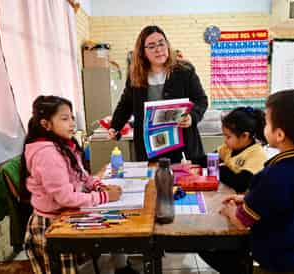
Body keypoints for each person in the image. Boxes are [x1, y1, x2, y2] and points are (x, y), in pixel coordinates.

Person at [215, 89, 294, 274]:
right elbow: (293, 206)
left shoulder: (274, 174)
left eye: (267, 122)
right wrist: (247, 200)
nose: (262, 127)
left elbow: (241, 221)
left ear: (279, 135)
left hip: (276, 266)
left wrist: (231, 211)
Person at [20, 95, 136, 274]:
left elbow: (82, 176)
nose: (72, 123)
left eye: (72, 117)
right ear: (46, 124)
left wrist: (99, 186)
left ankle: (122, 268)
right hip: (53, 225)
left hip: (67, 214)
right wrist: (105, 196)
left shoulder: (64, 145)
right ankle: (121, 268)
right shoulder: (47, 154)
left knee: (116, 221)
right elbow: (65, 198)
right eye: (65, 119)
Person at [108, 25, 208, 164]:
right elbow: (126, 104)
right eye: (151, 46)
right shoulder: (136, 76)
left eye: (161, 43)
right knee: (153, 183)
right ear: (143, 52)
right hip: (150, 148)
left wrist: (192, 116)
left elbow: (201, 100)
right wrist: (115, 126)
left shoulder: (184, 71)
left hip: (182, 144)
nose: (159, 49)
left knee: (185, 183)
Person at [218, 106, 267, 193]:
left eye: (228, 137)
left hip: (246, 203)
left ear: (244, 136)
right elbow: (210, 158)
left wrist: (219, 169)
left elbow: (241, 184)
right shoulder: (229, 147)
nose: (225, 140)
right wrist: (189, 162)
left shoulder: (256, 154)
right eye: (224, 136)